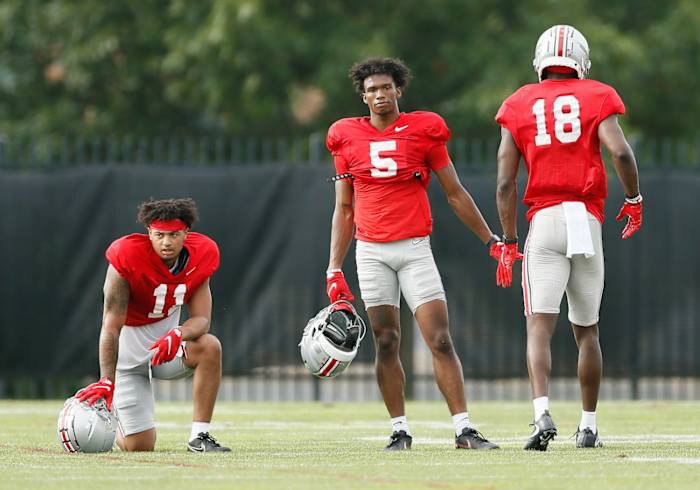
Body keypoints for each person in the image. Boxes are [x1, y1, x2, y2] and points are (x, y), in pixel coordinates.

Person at [325, 57, 504, 451]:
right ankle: (399, 430)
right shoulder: (345, 136)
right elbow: (345, 207)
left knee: (439, 339)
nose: (379, 95)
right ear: (363, 95)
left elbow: (455, 192)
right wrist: (334, 266)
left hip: (414, 247)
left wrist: (491, 239)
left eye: (386, 87)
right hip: (371, 251)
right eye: (371, 89)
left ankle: (464, 429)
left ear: (398, 90)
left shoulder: (423, 130)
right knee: (386, 340)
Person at [494, 25, 643, 450]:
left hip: (543, 220)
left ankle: (542, 413)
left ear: (540, 59)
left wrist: (508, 238)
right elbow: (620, 152)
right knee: (587, 331)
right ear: (582, 59)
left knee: (539, 326)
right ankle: (589, 425)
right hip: (586, 220)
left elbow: (505, 183)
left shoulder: (518, 102)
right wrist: (633, 198)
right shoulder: (597, 95)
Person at [76, 198, 230, 453]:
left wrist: (179, 333)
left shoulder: (202, 254)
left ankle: (199, 436)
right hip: (128, 358)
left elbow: (202, 319)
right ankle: (118, 423)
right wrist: (106, 378)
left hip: (165, 350)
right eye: (159, 234)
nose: (167, 242)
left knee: (210, 347)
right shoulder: (126, 256)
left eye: (174, 234)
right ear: (148, 232)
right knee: (140, 446)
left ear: (186, 233)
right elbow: (111, 326)